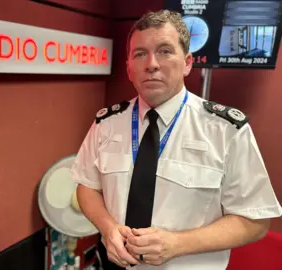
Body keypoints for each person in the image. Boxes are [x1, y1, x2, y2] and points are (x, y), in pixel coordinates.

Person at [70, 9, 282, 270]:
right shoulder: (106, 124)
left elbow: (255, 220)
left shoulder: (226, 131)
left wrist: (178, 244)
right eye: (140, 54)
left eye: (164, 51)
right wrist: (107, 227)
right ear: (128, 68)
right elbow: (87, 186)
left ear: (188, 63)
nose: (152, 64)